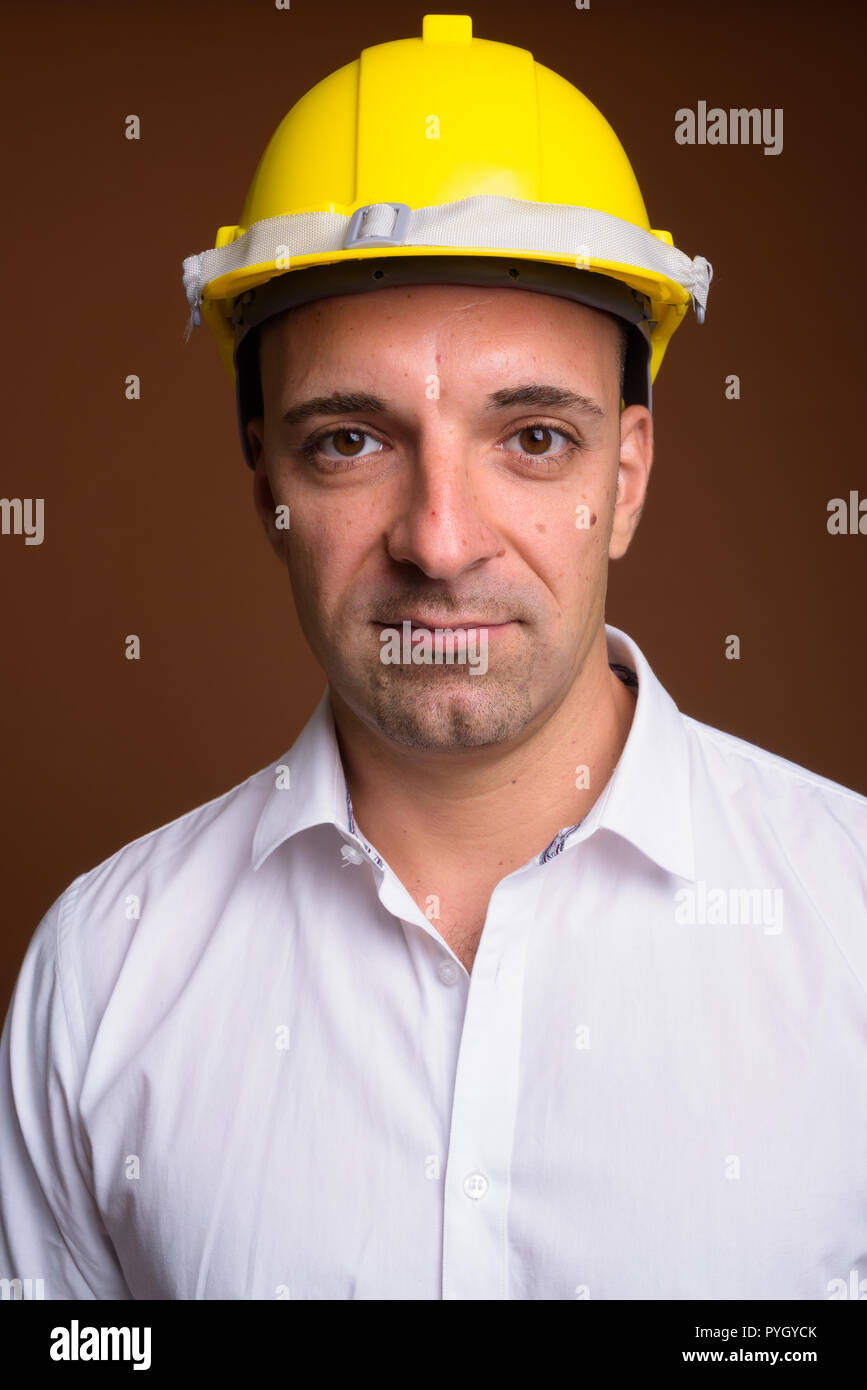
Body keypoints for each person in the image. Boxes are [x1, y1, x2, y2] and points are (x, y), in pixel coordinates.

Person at [1, 14, 865, 1302]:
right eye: (351, 440)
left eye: (532, 439)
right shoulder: (101, 973)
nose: (441, 541)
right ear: (267, 487)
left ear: (625, 477)